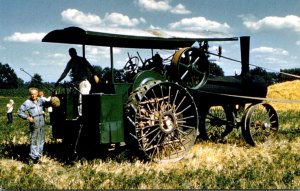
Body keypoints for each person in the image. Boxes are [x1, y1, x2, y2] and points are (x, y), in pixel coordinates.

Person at [55, 48, 99, 117]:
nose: (72, 54)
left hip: (84, 82)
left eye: (73, 52)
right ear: (69, 54)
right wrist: (58, 81)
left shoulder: (82, 59)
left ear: (75, 52)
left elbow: (91, 68)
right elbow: (65, 73)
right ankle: (75, 115)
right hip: (76, 83)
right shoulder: (70, 62)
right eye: (70, 53)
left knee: (82, 99)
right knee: (73, 99)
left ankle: (82, 117)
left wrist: (95, 75)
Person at [17, 87, 51, 163]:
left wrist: (53, 97)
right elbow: (19, 112)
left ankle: (39, 155)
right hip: (34, 122)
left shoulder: (40, 100)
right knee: (34, 140)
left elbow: (48, 104)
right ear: (30, 94)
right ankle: (33, 157)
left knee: (41, 139)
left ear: (37, 94)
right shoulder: (27, 102)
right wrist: (28, 117)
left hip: (42, 122)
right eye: (32, 94)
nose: (33, 96)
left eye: (35, 94)